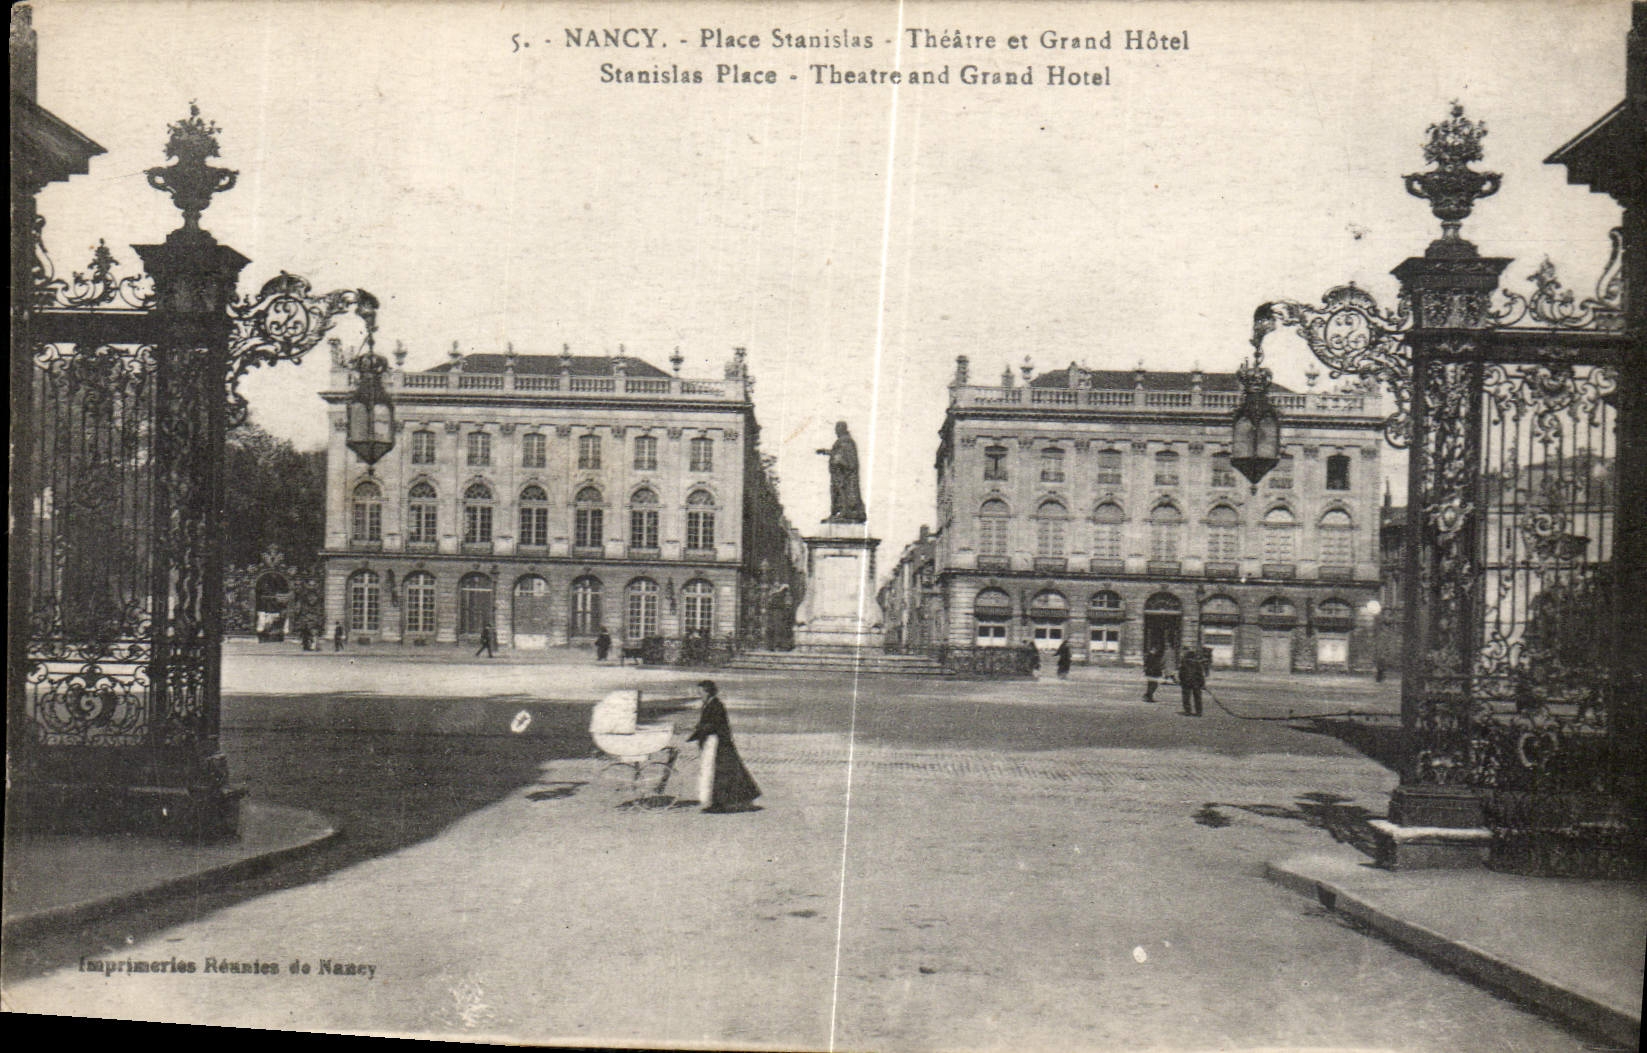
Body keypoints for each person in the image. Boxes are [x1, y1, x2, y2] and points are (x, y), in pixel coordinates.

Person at [687, 680, 761, 813]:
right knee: (729, 772)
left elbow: (713, 725)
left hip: (719, 743)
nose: (699, 695)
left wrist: (698, 730)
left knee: (719, 773)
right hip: (718, 742)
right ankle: (732, 800)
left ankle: (719, 804)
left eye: (701, 692)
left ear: (708, 692)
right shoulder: (711, 704)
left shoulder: (715, 705)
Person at [816, 421, 866, 523]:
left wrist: (839, 460)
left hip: (845, 476)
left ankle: (845, 513)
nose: (836, 431)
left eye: (837, 429)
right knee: (837, 493)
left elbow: (847, 458)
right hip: (839, 475)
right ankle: (838, 513)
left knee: (843, 493)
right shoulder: (842, 441)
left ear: (842, 429)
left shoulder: (846, 441)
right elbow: (838, 453)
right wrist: (826, 452)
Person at [1179, 645, 1208, 717]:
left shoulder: (1184, 663)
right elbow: (1200, 674)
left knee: (1186, 697)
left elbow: (1181, 674)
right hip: (1196, 683)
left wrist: (1181, 681)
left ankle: (1188, 711)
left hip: (1186, 682)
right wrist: (1202, 684)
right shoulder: (1197, 664)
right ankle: (1199, 712)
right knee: (1197, 698)